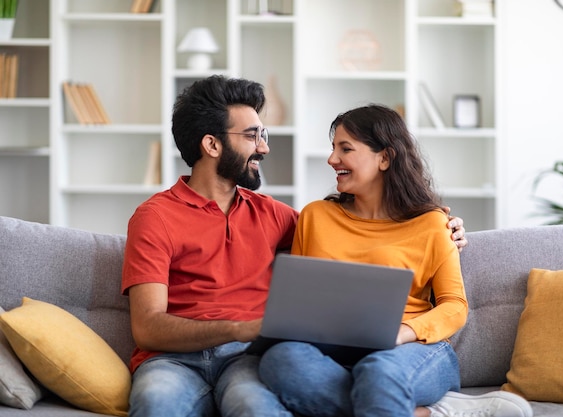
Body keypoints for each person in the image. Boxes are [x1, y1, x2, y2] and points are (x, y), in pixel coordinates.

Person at [121, 76, 467, 417]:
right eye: (252, 135)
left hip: (246, 359)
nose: (264, 147)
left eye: (263, 134)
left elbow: (367, 237)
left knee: (259, 406)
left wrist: (447, 228)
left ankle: (399, 405)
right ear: (211, 145)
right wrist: (242, 327)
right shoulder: (156, 217)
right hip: (176, 360)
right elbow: (148, 327)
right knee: (159, 402)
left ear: (385, 158)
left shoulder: (275, 215)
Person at [257, 104, 533, 417]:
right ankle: (423, 413)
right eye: (333, 149)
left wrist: (402, 333)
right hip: (331, 353)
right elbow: (303, 300)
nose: (332, 159)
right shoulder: (315, 216)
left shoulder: (432, 224)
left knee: (379, 372)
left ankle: (388, 398)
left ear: (385, 158)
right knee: (281, 361)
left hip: (411, 350)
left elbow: (454, 305)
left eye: (345, 149)